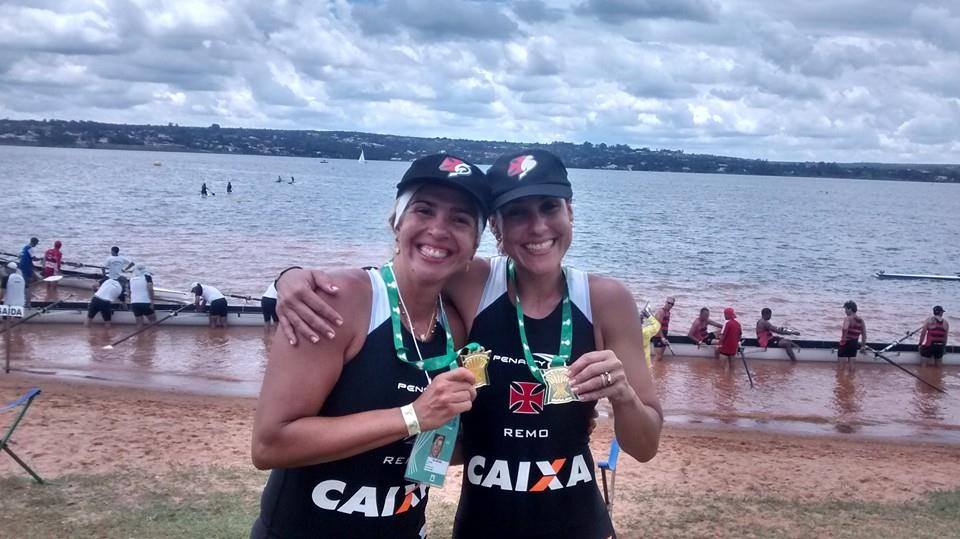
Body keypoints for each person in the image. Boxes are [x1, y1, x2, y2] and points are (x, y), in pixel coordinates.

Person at [276, 149, 663, 538]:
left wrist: (624, 397)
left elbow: (644, 447)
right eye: (517, 213)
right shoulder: (471, 283)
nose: (538, 227)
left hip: (580, 525)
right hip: (480, 526)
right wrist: (290, 278)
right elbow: (400, 274)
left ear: (571, 214)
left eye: (550, 207)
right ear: (495, 228)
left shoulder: (606, 300)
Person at [250, 154, 487, 538]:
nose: (439, 229)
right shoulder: (341, 300)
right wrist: (412, 415)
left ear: (474, 245)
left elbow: (439, 447)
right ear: (397, 222)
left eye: (460, 220)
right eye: (424, 210)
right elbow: (269, 444)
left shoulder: (455, 327)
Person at [838, 300, 866, 371]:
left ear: (850, 309)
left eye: (846, 309)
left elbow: (845, 328)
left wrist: (843, 339)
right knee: (852, 365)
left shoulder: (848, 318)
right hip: (854, 343)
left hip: (846, 342)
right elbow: (864, 334)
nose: (845, 311)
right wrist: (863, 346)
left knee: (841, 367)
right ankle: (851, 377)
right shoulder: (861, 320)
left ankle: (841, 377)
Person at [651, 296, 675, 361]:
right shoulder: (661, 312)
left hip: (663, 335)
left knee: (661, 356)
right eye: (668, 303)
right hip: (658, 336)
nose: (670, 305)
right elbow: (657, 326)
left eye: (672, 304)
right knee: (658, 356)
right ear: (665, 302)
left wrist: (664, 337)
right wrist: (662, 337)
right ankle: (653, 367)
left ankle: (658, 367)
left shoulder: (668, 313)